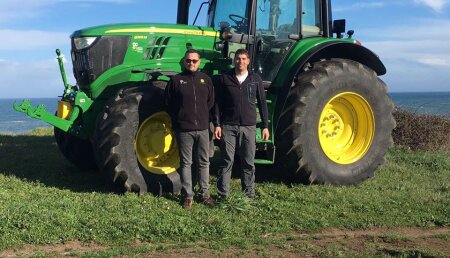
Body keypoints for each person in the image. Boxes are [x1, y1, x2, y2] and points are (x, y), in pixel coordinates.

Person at [213, 48, 270, 199]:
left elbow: (262, 103)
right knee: (226, 160)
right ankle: (223, 195)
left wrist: (265, 126)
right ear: (234, 60)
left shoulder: (255, 79)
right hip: (228, 126)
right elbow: (218, 103)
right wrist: (217, 124)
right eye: (238, 58)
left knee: (248, 162)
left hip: (248, 127)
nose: (241, 61)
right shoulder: (225, 78)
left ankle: (248, 194)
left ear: (248, 61)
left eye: (244, 59)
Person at [164, 49, 215, 209]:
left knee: (204, 162)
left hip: (202, 129)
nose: (191, 63)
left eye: (194, 61)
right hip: (184, 129)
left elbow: (210, 102)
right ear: (184, 62)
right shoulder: (176, 81)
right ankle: (188, 195)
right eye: (188, 61)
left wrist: (203, 119)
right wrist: (179, 118)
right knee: (186, 163)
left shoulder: (205, 80)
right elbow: (168, 103)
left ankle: (205, 194)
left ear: (199, 62)